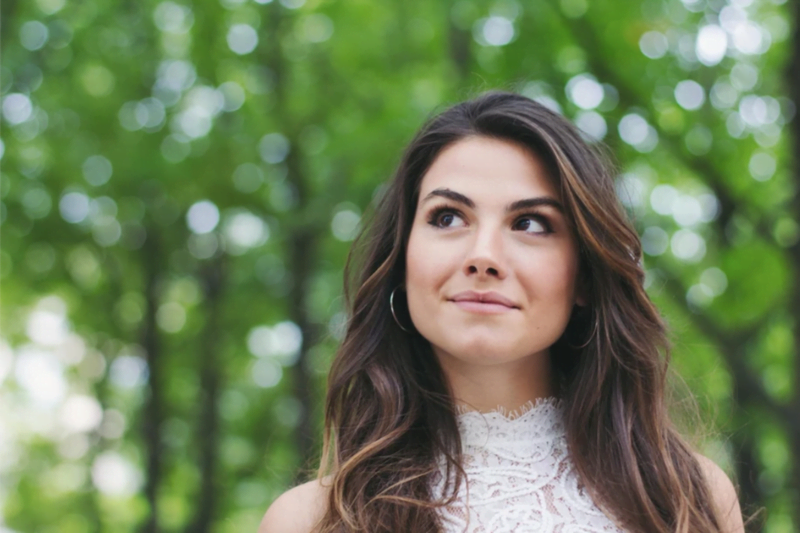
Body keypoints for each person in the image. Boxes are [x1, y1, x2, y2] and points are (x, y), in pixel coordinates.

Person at [259, 91, 745, 533]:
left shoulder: (687, 498)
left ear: (584, 277)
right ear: (401, 261)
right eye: (447, 217)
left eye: (530, 223)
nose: (483, 255)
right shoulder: (311, 520)